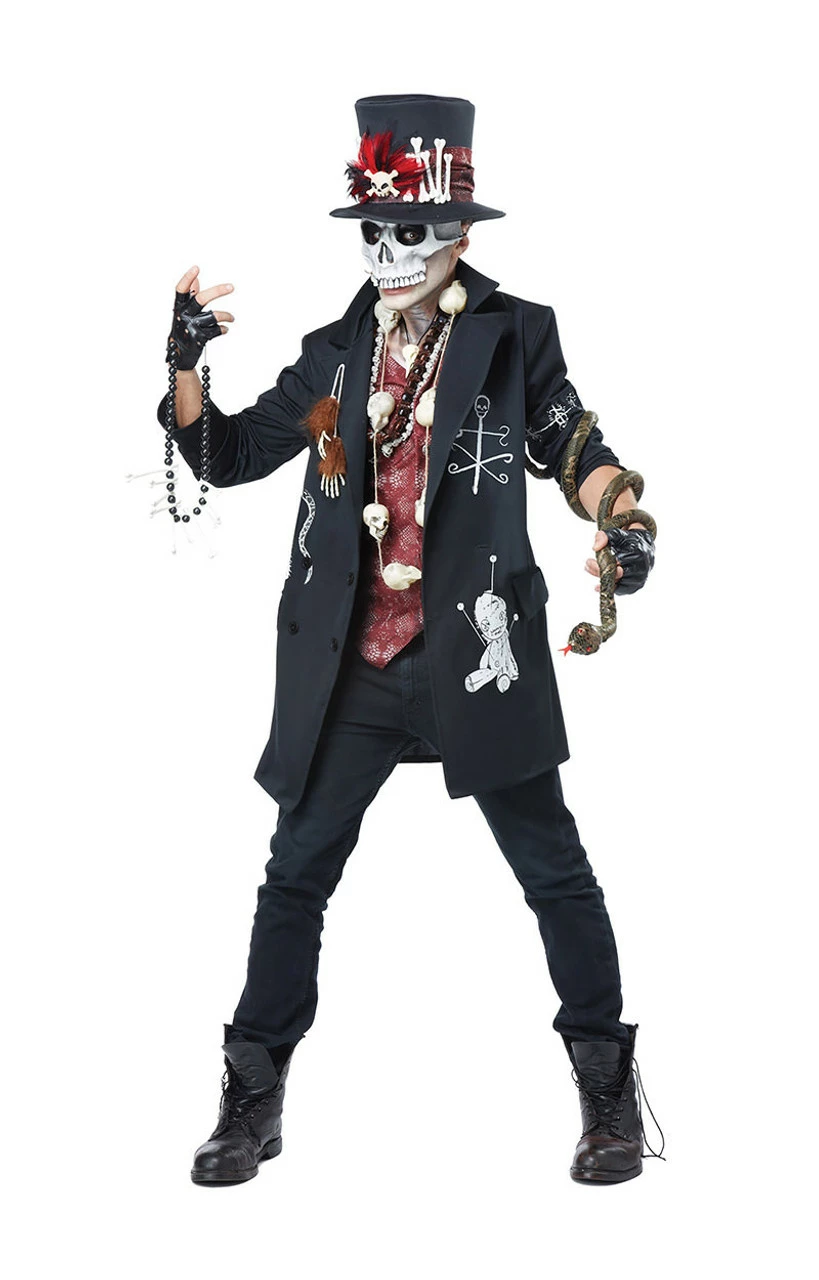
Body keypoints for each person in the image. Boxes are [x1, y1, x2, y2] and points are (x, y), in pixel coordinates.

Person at [158, 94, 660, 1187]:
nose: (389, 253)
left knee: (554, 871)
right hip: (355, 663)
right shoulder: (336, 355)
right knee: (295, 874)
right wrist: (185, 364)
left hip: (477, 653)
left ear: (460, 236)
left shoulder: (512, 336)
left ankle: (609, 1097)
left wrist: (625, 519)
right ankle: (252, 1098)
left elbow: (574, 446)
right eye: (374, 230)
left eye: (412, 231)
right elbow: (226, 455)